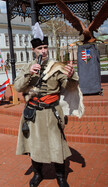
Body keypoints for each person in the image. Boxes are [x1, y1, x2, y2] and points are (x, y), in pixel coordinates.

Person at [14, 23, 83, 187]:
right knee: (34, 145)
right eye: (40, 48)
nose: (43, 51)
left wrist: (72, 76)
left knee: (56, 144)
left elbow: (70, 87)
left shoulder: (57, 66)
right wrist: (29, 73)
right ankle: (38, 174)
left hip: (52, 112)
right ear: (34, 51)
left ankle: (60, 176)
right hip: (33, 114)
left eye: (45, 47)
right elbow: (18, 87)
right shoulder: (27, 67)